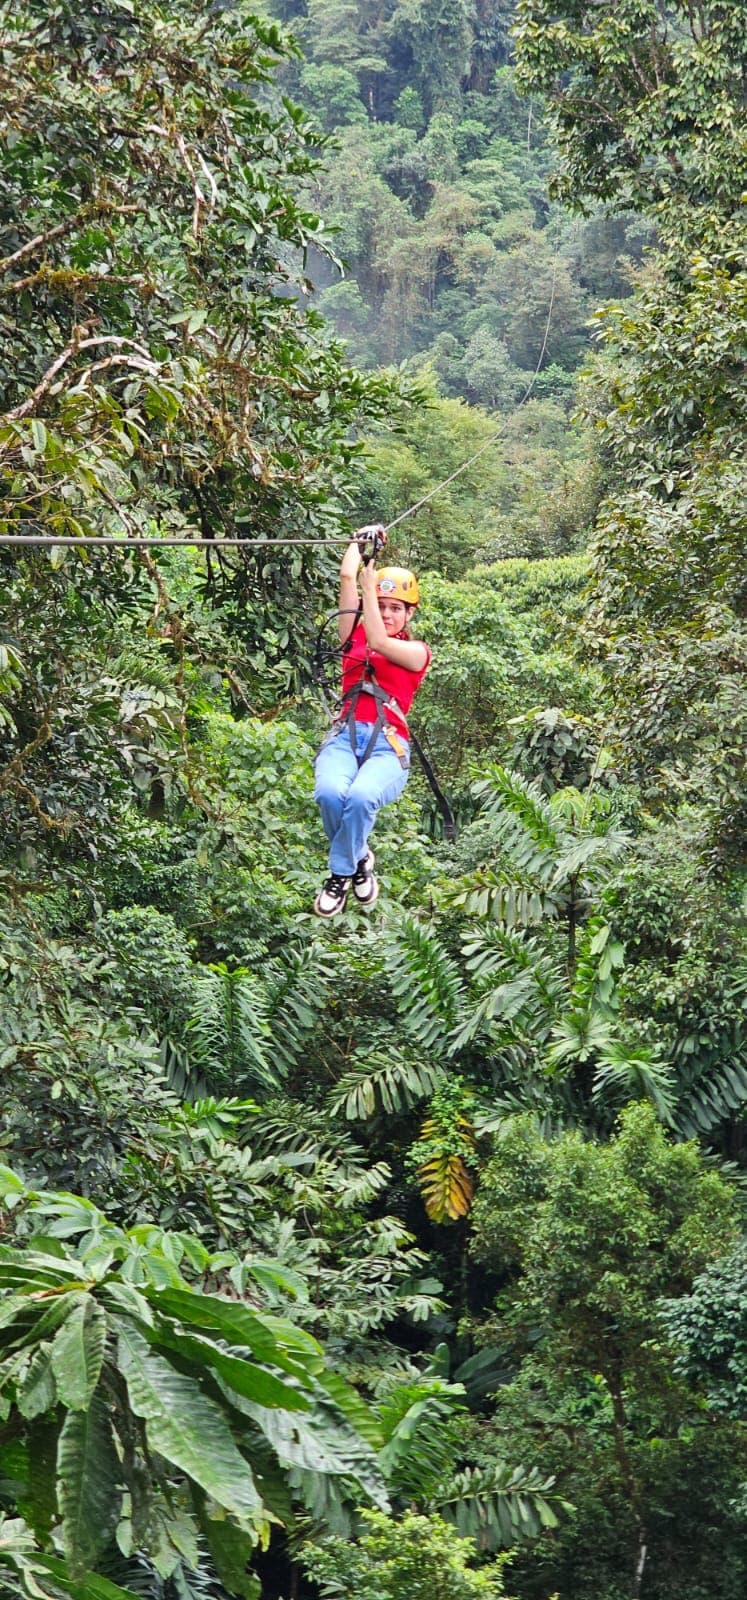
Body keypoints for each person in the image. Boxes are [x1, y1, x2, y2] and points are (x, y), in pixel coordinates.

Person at [313, 528, 431, 916]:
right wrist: (356, 542)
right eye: (380, 605)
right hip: (344, 735)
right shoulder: (352, 636)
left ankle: (339, 873)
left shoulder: (415, 652)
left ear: (410, 613)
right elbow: (348, 577)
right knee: (330, 793)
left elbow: (380, 643)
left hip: (388, 744)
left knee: (362, 797)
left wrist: (370, 582)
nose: (385, 613)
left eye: (396, 607)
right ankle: (359, 860)